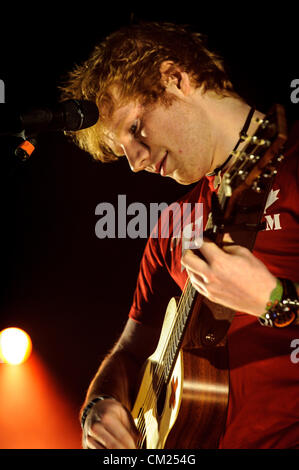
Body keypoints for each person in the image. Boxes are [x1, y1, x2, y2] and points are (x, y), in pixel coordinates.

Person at [61, 22, 299, 449]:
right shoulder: (171, 224)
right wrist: (99, 403)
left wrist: (277, 300)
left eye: (134, 128)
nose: (134, 164)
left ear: (175, 79)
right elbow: (131, 353)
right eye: (121, 151)